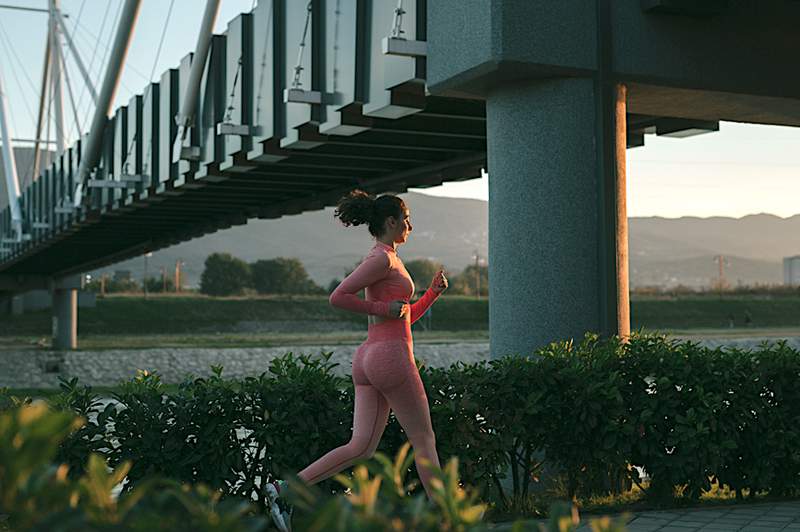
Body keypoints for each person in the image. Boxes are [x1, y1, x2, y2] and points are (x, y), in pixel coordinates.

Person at [264, 190, 448, 531]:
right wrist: (382, 308)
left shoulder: (385, 256)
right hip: (390, 357)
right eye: (406, 219)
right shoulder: (383, 260)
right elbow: (338, 297)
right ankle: (447, 519)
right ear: (391, 222)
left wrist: (432, 294)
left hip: (369, 358)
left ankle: (283, 490)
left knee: (360, 447)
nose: (410, 225)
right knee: (424, 440)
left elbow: (403, 317)